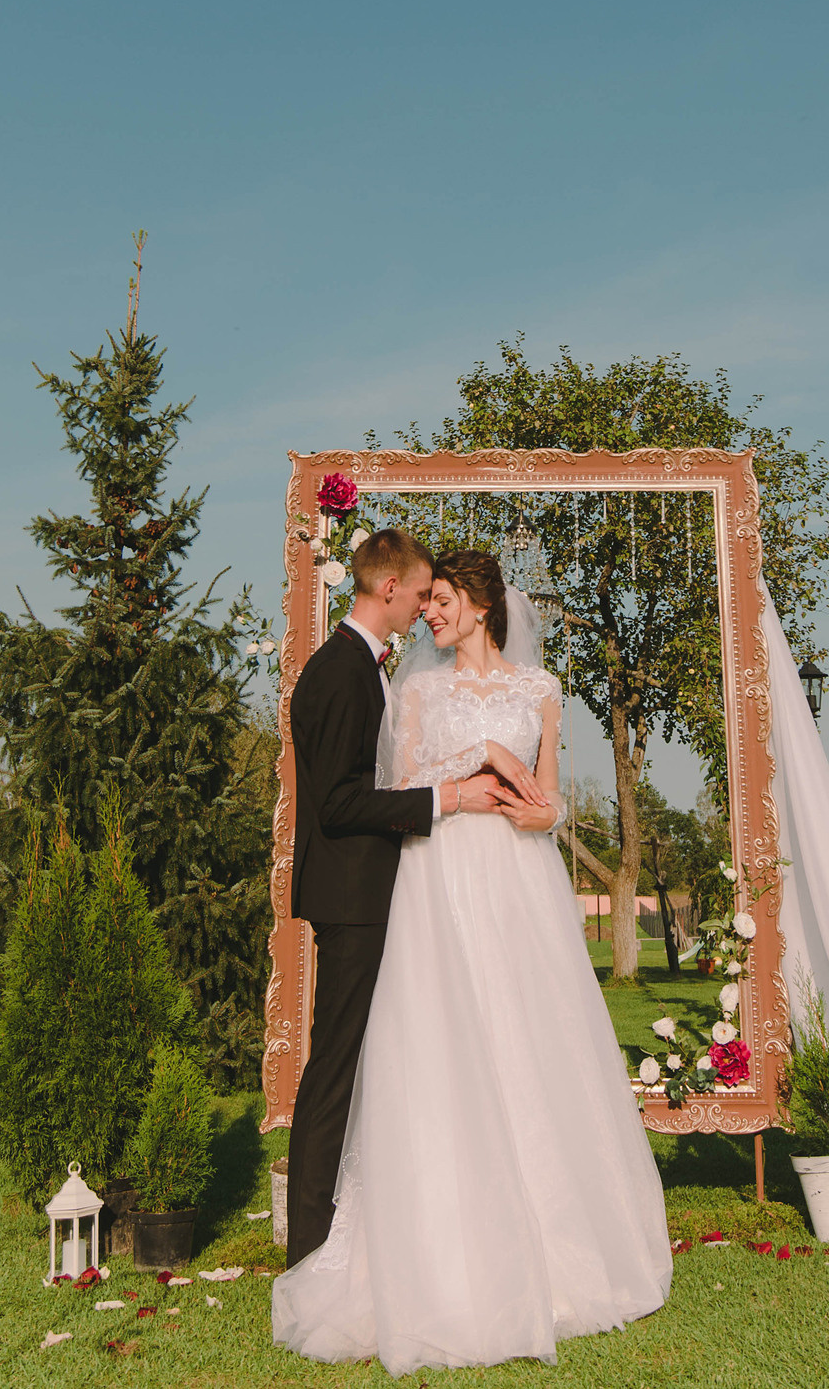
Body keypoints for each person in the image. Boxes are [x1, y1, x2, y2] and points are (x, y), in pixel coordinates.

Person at [273, 548, 672, 1375]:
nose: (432, 615)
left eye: (445, 600)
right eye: (427, 600)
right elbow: (406, 783)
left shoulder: (543, 692)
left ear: (483, 608)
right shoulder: (415, 692)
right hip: (439, 877)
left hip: (519, 891)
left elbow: (551, 806)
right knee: (441, 1051)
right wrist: (484, 753)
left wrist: (536, 807)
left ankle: (553, 1244)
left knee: (528, 1046)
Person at [283, 529, 526, 1267]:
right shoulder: (339, 673)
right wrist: (447, 797)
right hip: (352, 898)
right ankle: (310, 1246)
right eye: (422, 593)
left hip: (374, 892)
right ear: (390, 589)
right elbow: (338, 804)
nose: (425, 609)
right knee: (334, 1069)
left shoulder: (364, 668)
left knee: (372, 1060)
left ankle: (366, 1221)